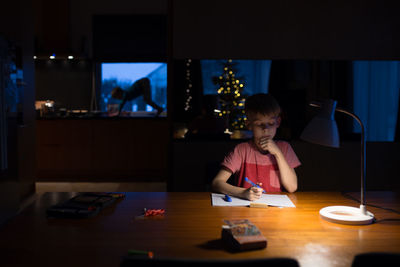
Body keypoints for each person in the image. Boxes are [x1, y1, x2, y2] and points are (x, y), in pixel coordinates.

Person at [211, 93, 301, 201]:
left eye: (271, 123)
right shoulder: (241, 150)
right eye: (259, 124)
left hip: (275, 212)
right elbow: (216, 183)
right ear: (249, 125)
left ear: (278, 122)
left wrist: (278, 153)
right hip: (245, 210)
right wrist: (243, 192)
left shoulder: (284, 148)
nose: (265, 129)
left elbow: (292, 187)